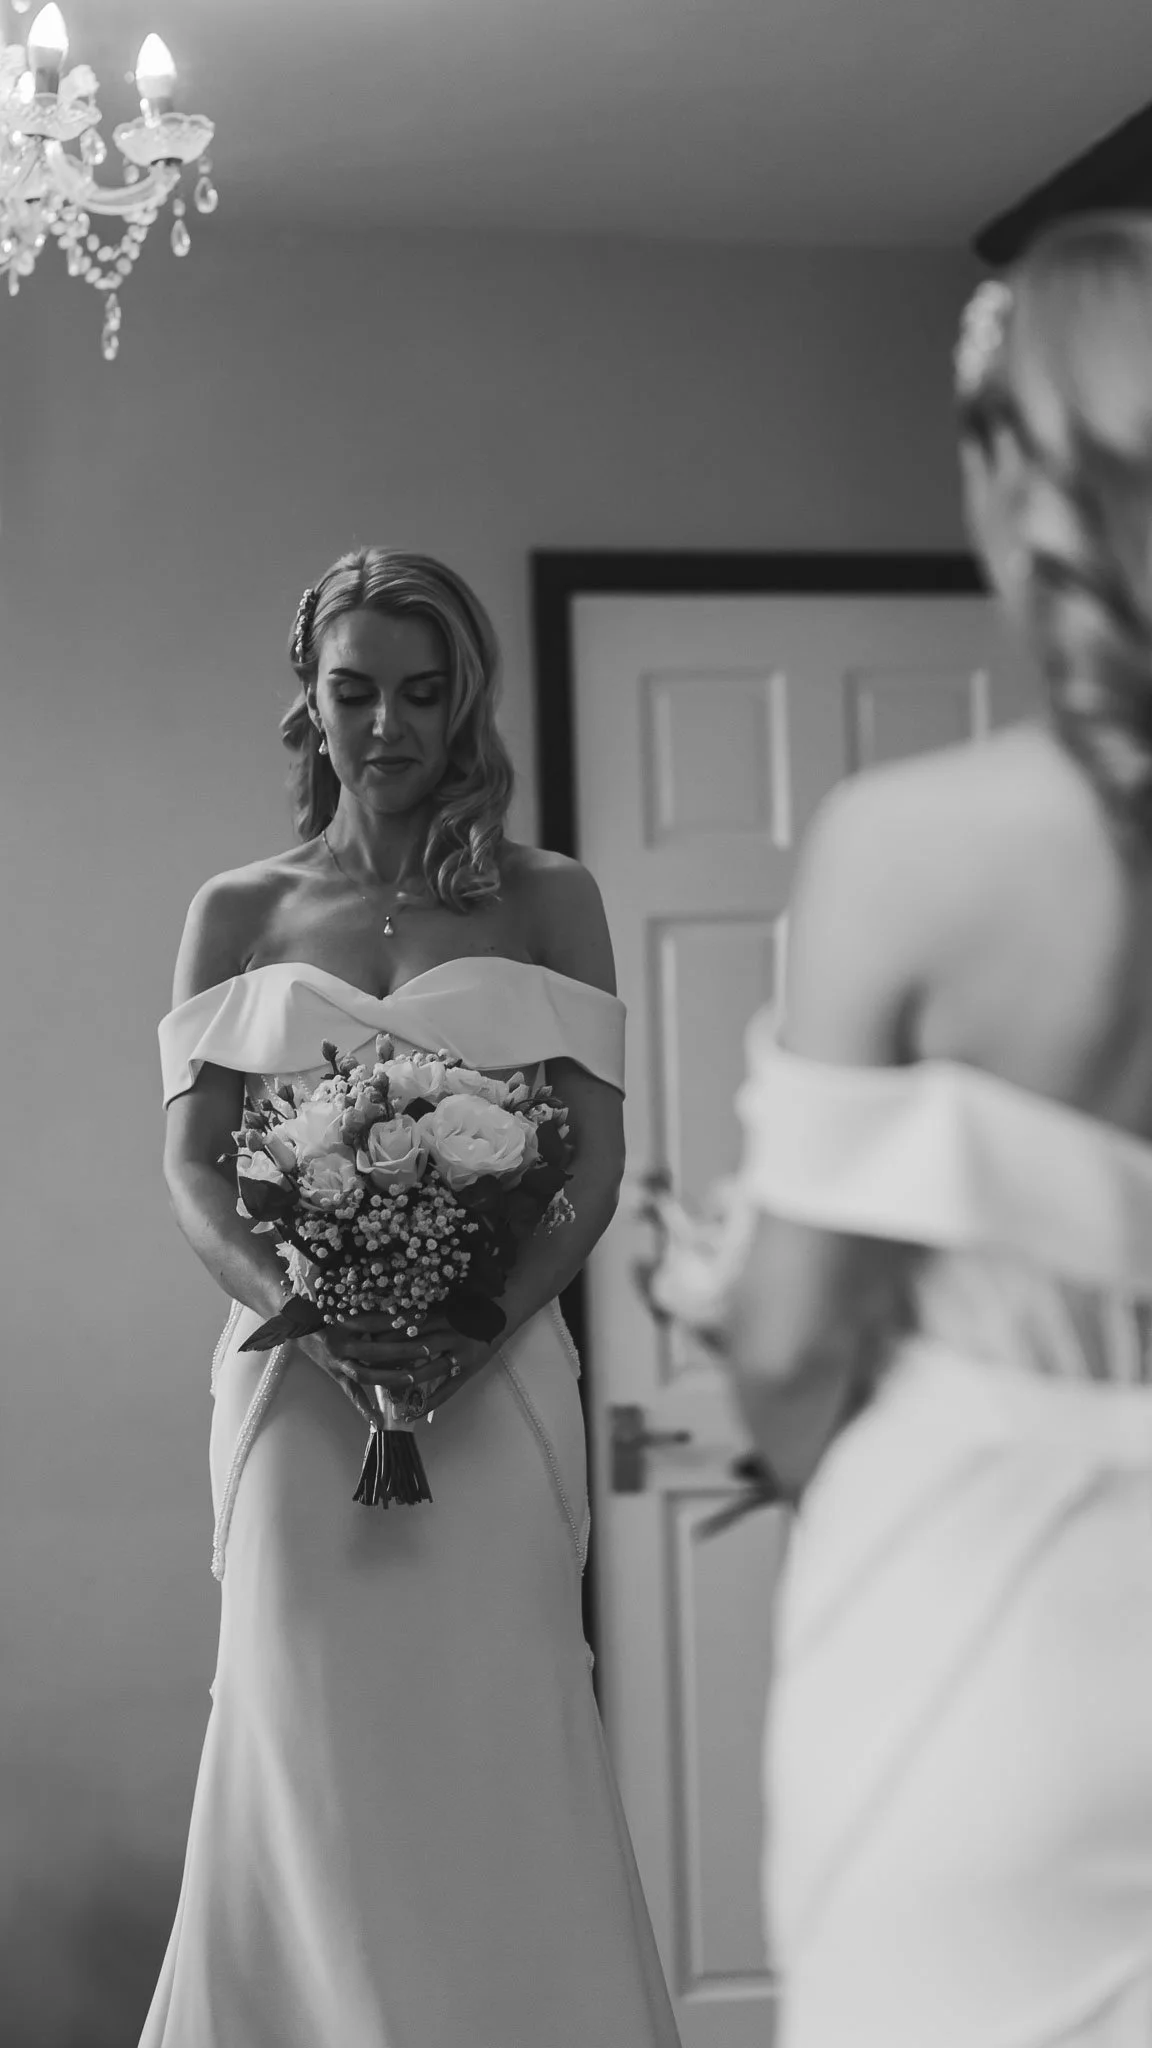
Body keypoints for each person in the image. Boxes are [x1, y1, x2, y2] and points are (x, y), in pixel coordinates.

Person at [650, 215, 1152, 2047]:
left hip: (978, 1637)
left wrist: (743, 1324)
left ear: (1015, 467)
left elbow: (793, 1347)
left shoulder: (912, 845)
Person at [139, 547, 681, 2048]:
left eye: (423, 693)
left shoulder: (549, 897)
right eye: (356, 690)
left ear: (468, 702)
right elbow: (192, 1169)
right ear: (308, 700)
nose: (390, 725)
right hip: (293, 1389)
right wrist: (312, 1323)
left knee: (496, 1735)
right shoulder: (235, 910)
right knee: (303, 1736)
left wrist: (464, 1334)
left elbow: (593, 1164)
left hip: (492, 1386)